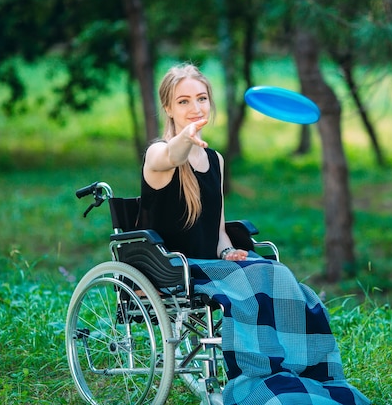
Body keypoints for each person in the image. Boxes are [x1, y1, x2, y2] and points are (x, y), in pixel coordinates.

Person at [141, 63, 370, 405]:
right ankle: (256, 381)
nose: (195, 108)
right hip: (174, 267)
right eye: (184, 101)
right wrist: (184, 141)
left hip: (210, 263)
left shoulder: (214, 160)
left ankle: (307, 374)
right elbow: (172, 155)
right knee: (253, 283)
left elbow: (217, 229)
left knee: (280, 275)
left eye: (201, 99)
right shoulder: (158, 153)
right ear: (168, 108)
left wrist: (226, 251)